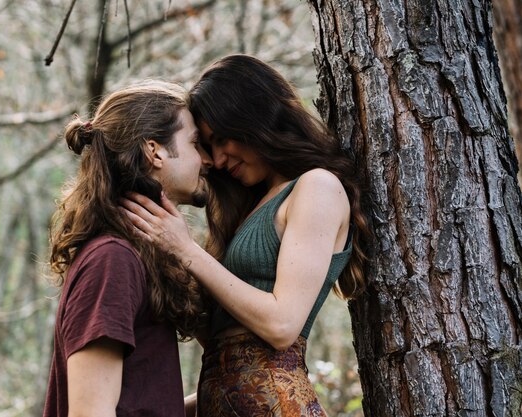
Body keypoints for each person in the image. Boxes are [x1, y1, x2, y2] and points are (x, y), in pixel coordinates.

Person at [121, 55, 369, 417]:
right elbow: (228, 363)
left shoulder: (317, 188)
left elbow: (282, 325)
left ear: (254, 118)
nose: (217, 159)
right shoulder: (244, 209)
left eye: (223, 139)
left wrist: (186, 249)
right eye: (207, 146)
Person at [43, 81, 213, 417]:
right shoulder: (112, 261)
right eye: (195, 144)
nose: (207, 159)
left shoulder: (136, 258)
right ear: (154, 151)